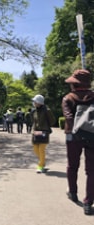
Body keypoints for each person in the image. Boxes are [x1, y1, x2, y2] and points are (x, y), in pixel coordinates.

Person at [61, 69, 94, 215]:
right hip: (92, 135)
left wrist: (75, 128)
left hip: (73, 136)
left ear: (74, 84)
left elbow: (68, 117)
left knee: (72, 166)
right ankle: (88, 202)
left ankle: (73, 193)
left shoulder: (68, 98)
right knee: (92, 171)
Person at [31, 94, 55, 174]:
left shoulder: (47, 110)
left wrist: (46, 126)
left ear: (39, 102)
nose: (34, 103)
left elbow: (52, 121)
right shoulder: (34, 110)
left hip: (44, 131)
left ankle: (40, 166)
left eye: (35, 101)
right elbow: (34, 121)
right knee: (35, 149)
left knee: (41, 149)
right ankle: (43, 161)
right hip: (36, 131)